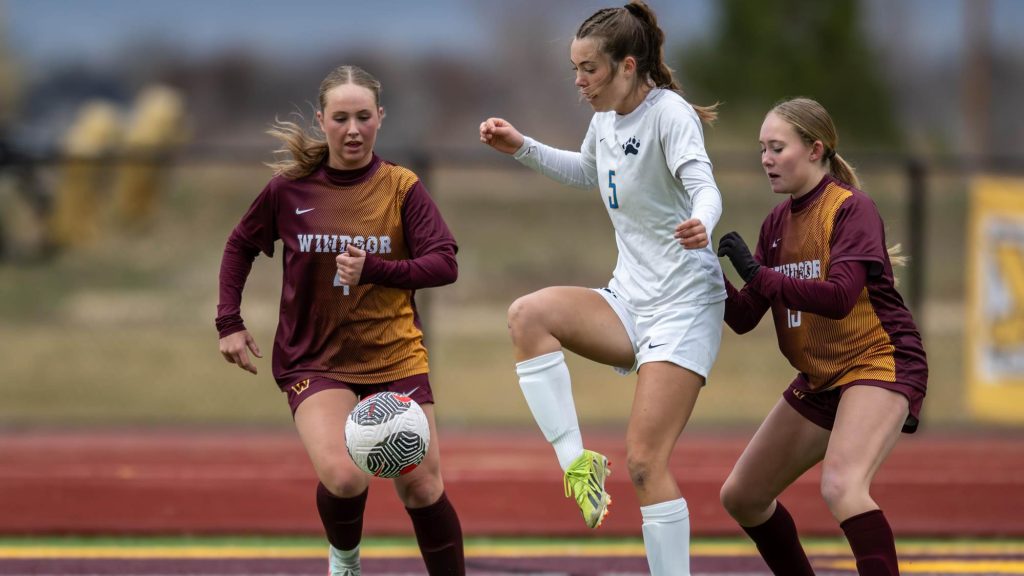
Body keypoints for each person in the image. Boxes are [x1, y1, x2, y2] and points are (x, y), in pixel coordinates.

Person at [479, 2, 725, 573]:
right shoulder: (605, 121)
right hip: (629, 300)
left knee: (643, 463)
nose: (579, 81)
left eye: (589, 68)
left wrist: (702, 223)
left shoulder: (670, 116)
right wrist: (522, 146)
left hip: (684, 306)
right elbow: (587, 171)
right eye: (575, 69)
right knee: (527, 316)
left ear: (627, 66)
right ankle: (577, 464)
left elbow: (704, 187)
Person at [216, 65, 464, 576]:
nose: (353, 129)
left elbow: (444, 262)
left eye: (364, 117)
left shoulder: (401, 188)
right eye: (341, 118)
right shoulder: (289, 189)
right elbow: (241, 245)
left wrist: (375, 268)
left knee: (421, 485)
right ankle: (345, 561)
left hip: (394, 355)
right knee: (347, 478)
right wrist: (229, 322)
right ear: (322, 120)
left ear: (380, 119)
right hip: (315, 357)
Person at [716, 97, 928, 576]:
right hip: (820, 376)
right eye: (762, 149)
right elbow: (746, 316)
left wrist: (755, 272)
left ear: (815, 150)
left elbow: (838, 297)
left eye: (777, 147)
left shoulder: (852, 210)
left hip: (879, 360)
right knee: (743, 496)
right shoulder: (775, 224)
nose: (766, 159)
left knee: (842, 486)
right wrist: (706, 272)